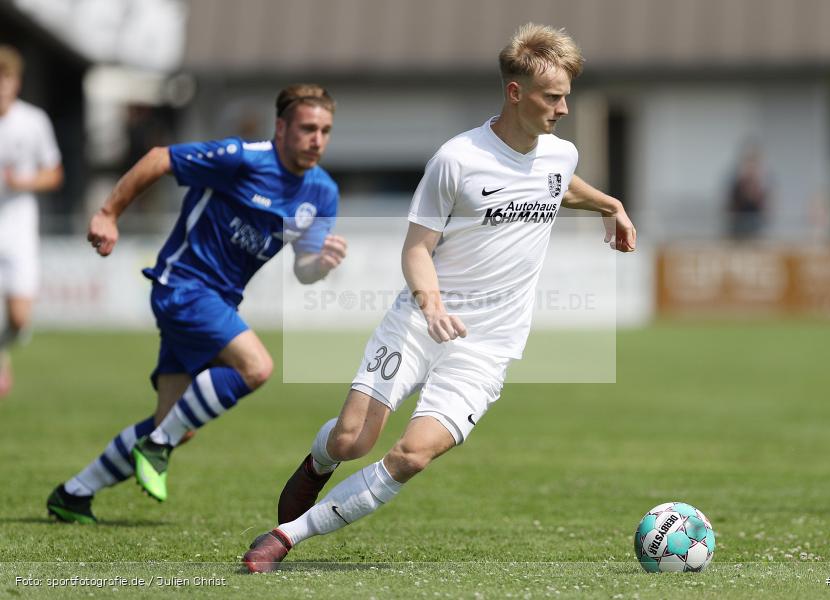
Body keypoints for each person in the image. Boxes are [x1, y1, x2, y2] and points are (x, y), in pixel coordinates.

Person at [243, 24, 637, 572]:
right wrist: (430, 302)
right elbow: (415, 248)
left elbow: (560, 184)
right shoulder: (457, 160)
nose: (564, 108)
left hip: (488, 345)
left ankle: (286, 537)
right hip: (422, 321)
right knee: (355, 439)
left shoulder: (560, 154)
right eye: (553, 97)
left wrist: (610, 204)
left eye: (567, 95)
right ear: (515, 93)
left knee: (412, 455)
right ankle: (317, 461)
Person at [46, 84, 347, 523]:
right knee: (256, 367)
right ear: (281, 127)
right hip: (183, 284)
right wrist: (109, 213)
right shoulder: (241, 158)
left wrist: (321, 263)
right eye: (307, 128)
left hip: (219, 299)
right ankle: (157, 445)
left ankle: (74, 493)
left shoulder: (323, 192)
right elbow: (158, 159)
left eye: (325, 130)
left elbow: (304, 268)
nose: (317, 139)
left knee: (174, 423)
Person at [0, 45, 64, 397]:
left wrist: (24, 182)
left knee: (20, 319)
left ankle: (1, 349)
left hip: (19, 231)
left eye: (4, 78)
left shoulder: (33, 121)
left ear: (16, 83)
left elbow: (54, 174)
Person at [726, 142, 768, 240]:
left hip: (756, 233)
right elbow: (730, 211)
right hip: (737, 233)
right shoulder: (736, 184)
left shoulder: (762, 185)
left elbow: (766, 211)